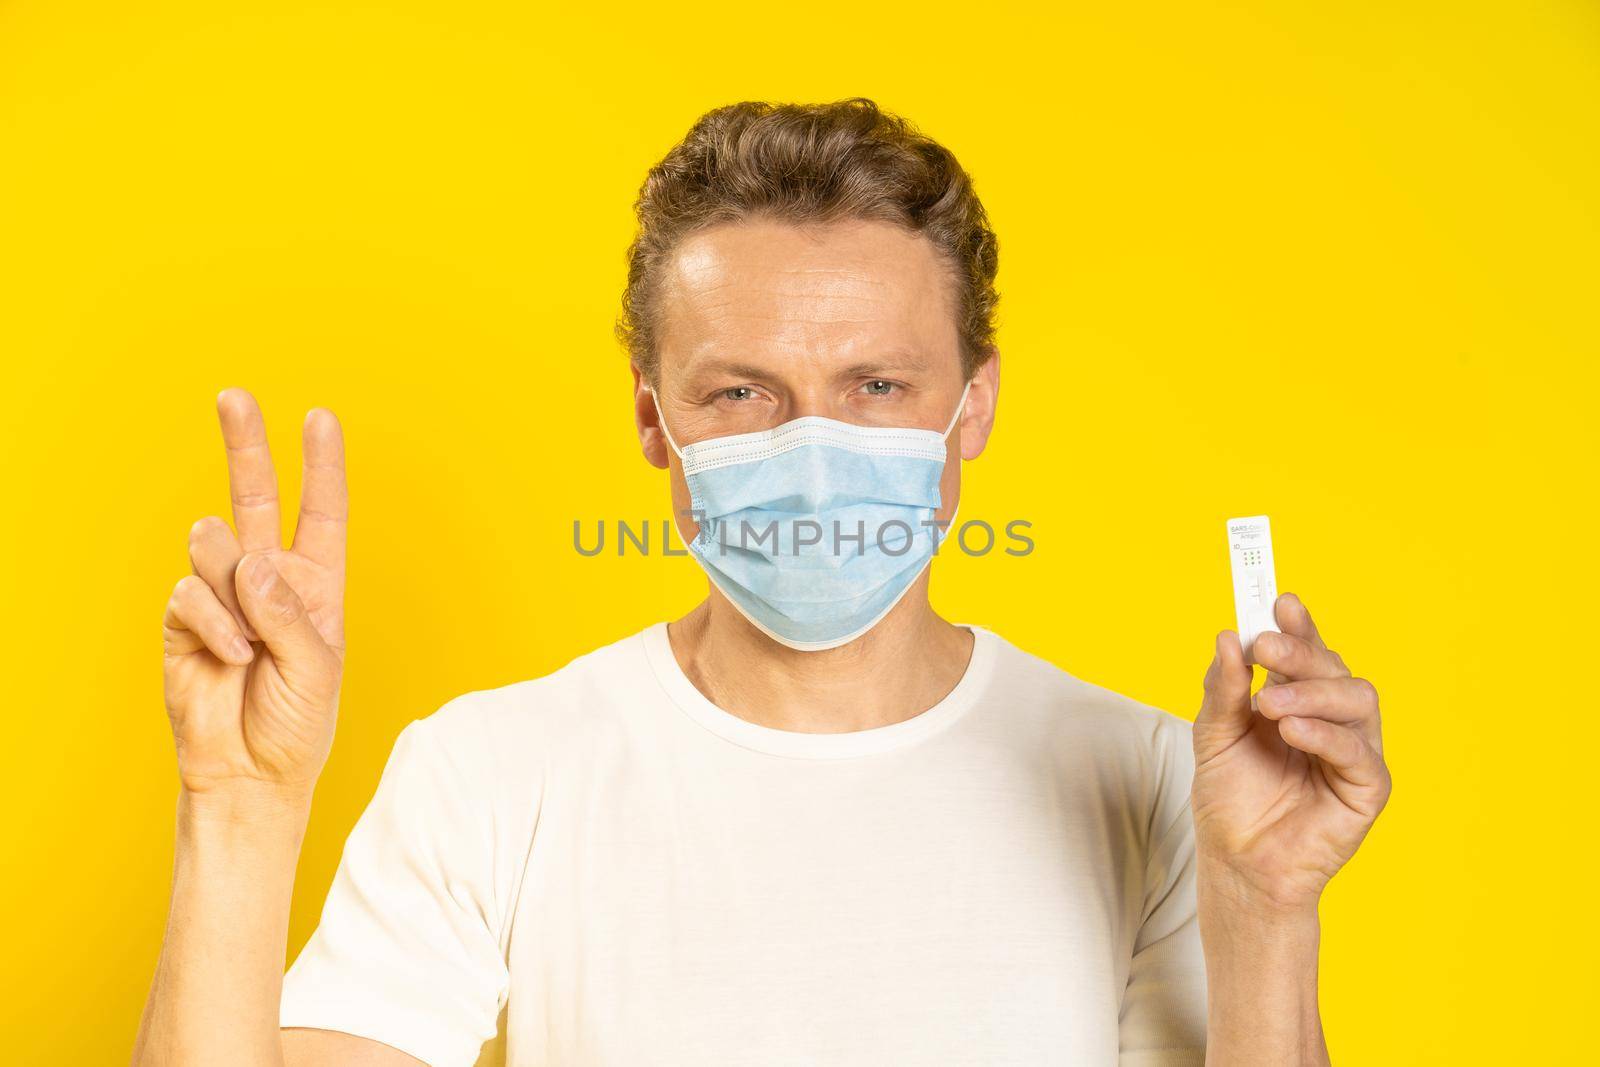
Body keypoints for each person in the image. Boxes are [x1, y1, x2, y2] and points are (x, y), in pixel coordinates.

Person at [132, 99, 1391, 1066]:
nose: (811, 448)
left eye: (876, 387)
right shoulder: (493, 772)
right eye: (742, 393)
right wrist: (238, 812)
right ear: (652, 418)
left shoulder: (1154, 784)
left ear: (973, 406)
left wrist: (1265, 911)